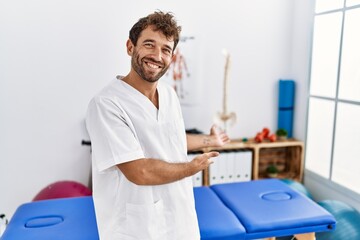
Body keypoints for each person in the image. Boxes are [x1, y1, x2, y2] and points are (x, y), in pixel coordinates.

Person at [86, 11, 230, 240]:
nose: (157, 55)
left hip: (181, 221)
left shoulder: (169, 94)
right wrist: (191, 168)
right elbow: (139, 172)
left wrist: (209, 140)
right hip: (135, 228)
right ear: (130, 47)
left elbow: (171, 139)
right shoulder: (106, 104)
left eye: (166, 49)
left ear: (172, 57)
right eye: (149, 45)